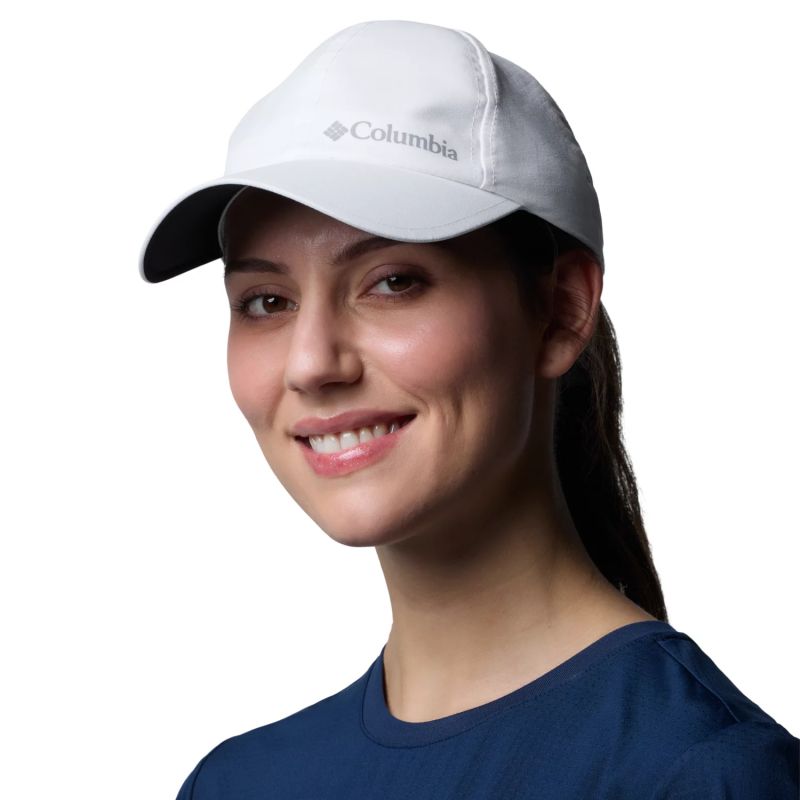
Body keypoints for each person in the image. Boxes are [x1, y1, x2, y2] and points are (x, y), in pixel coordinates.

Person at [139, 19, 799, 799]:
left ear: (559, 311)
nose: (312, 363)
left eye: (394, 281)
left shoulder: (703, 773)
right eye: (266, 300)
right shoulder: (236, 785)